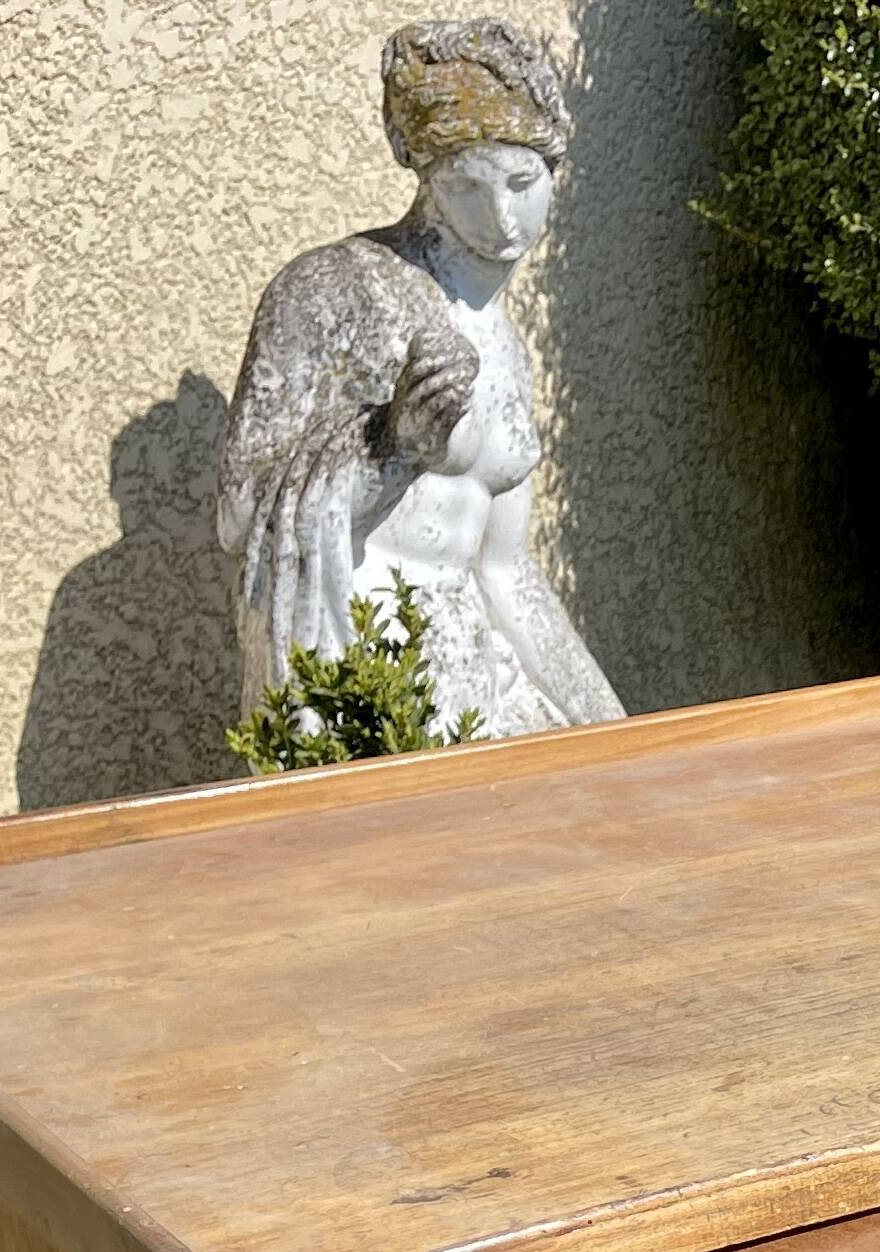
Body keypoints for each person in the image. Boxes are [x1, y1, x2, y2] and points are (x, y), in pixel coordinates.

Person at [216, 18, 623, 740]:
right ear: (426, 178)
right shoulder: (333, 289)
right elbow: (240, 513)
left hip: (479, 692)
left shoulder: (509, 349)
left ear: (553, 171)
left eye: (521, 182)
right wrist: (389, 443)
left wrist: (616, 732)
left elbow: (506, 574)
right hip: (361, 691)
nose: (501, 217)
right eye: (466, 186)